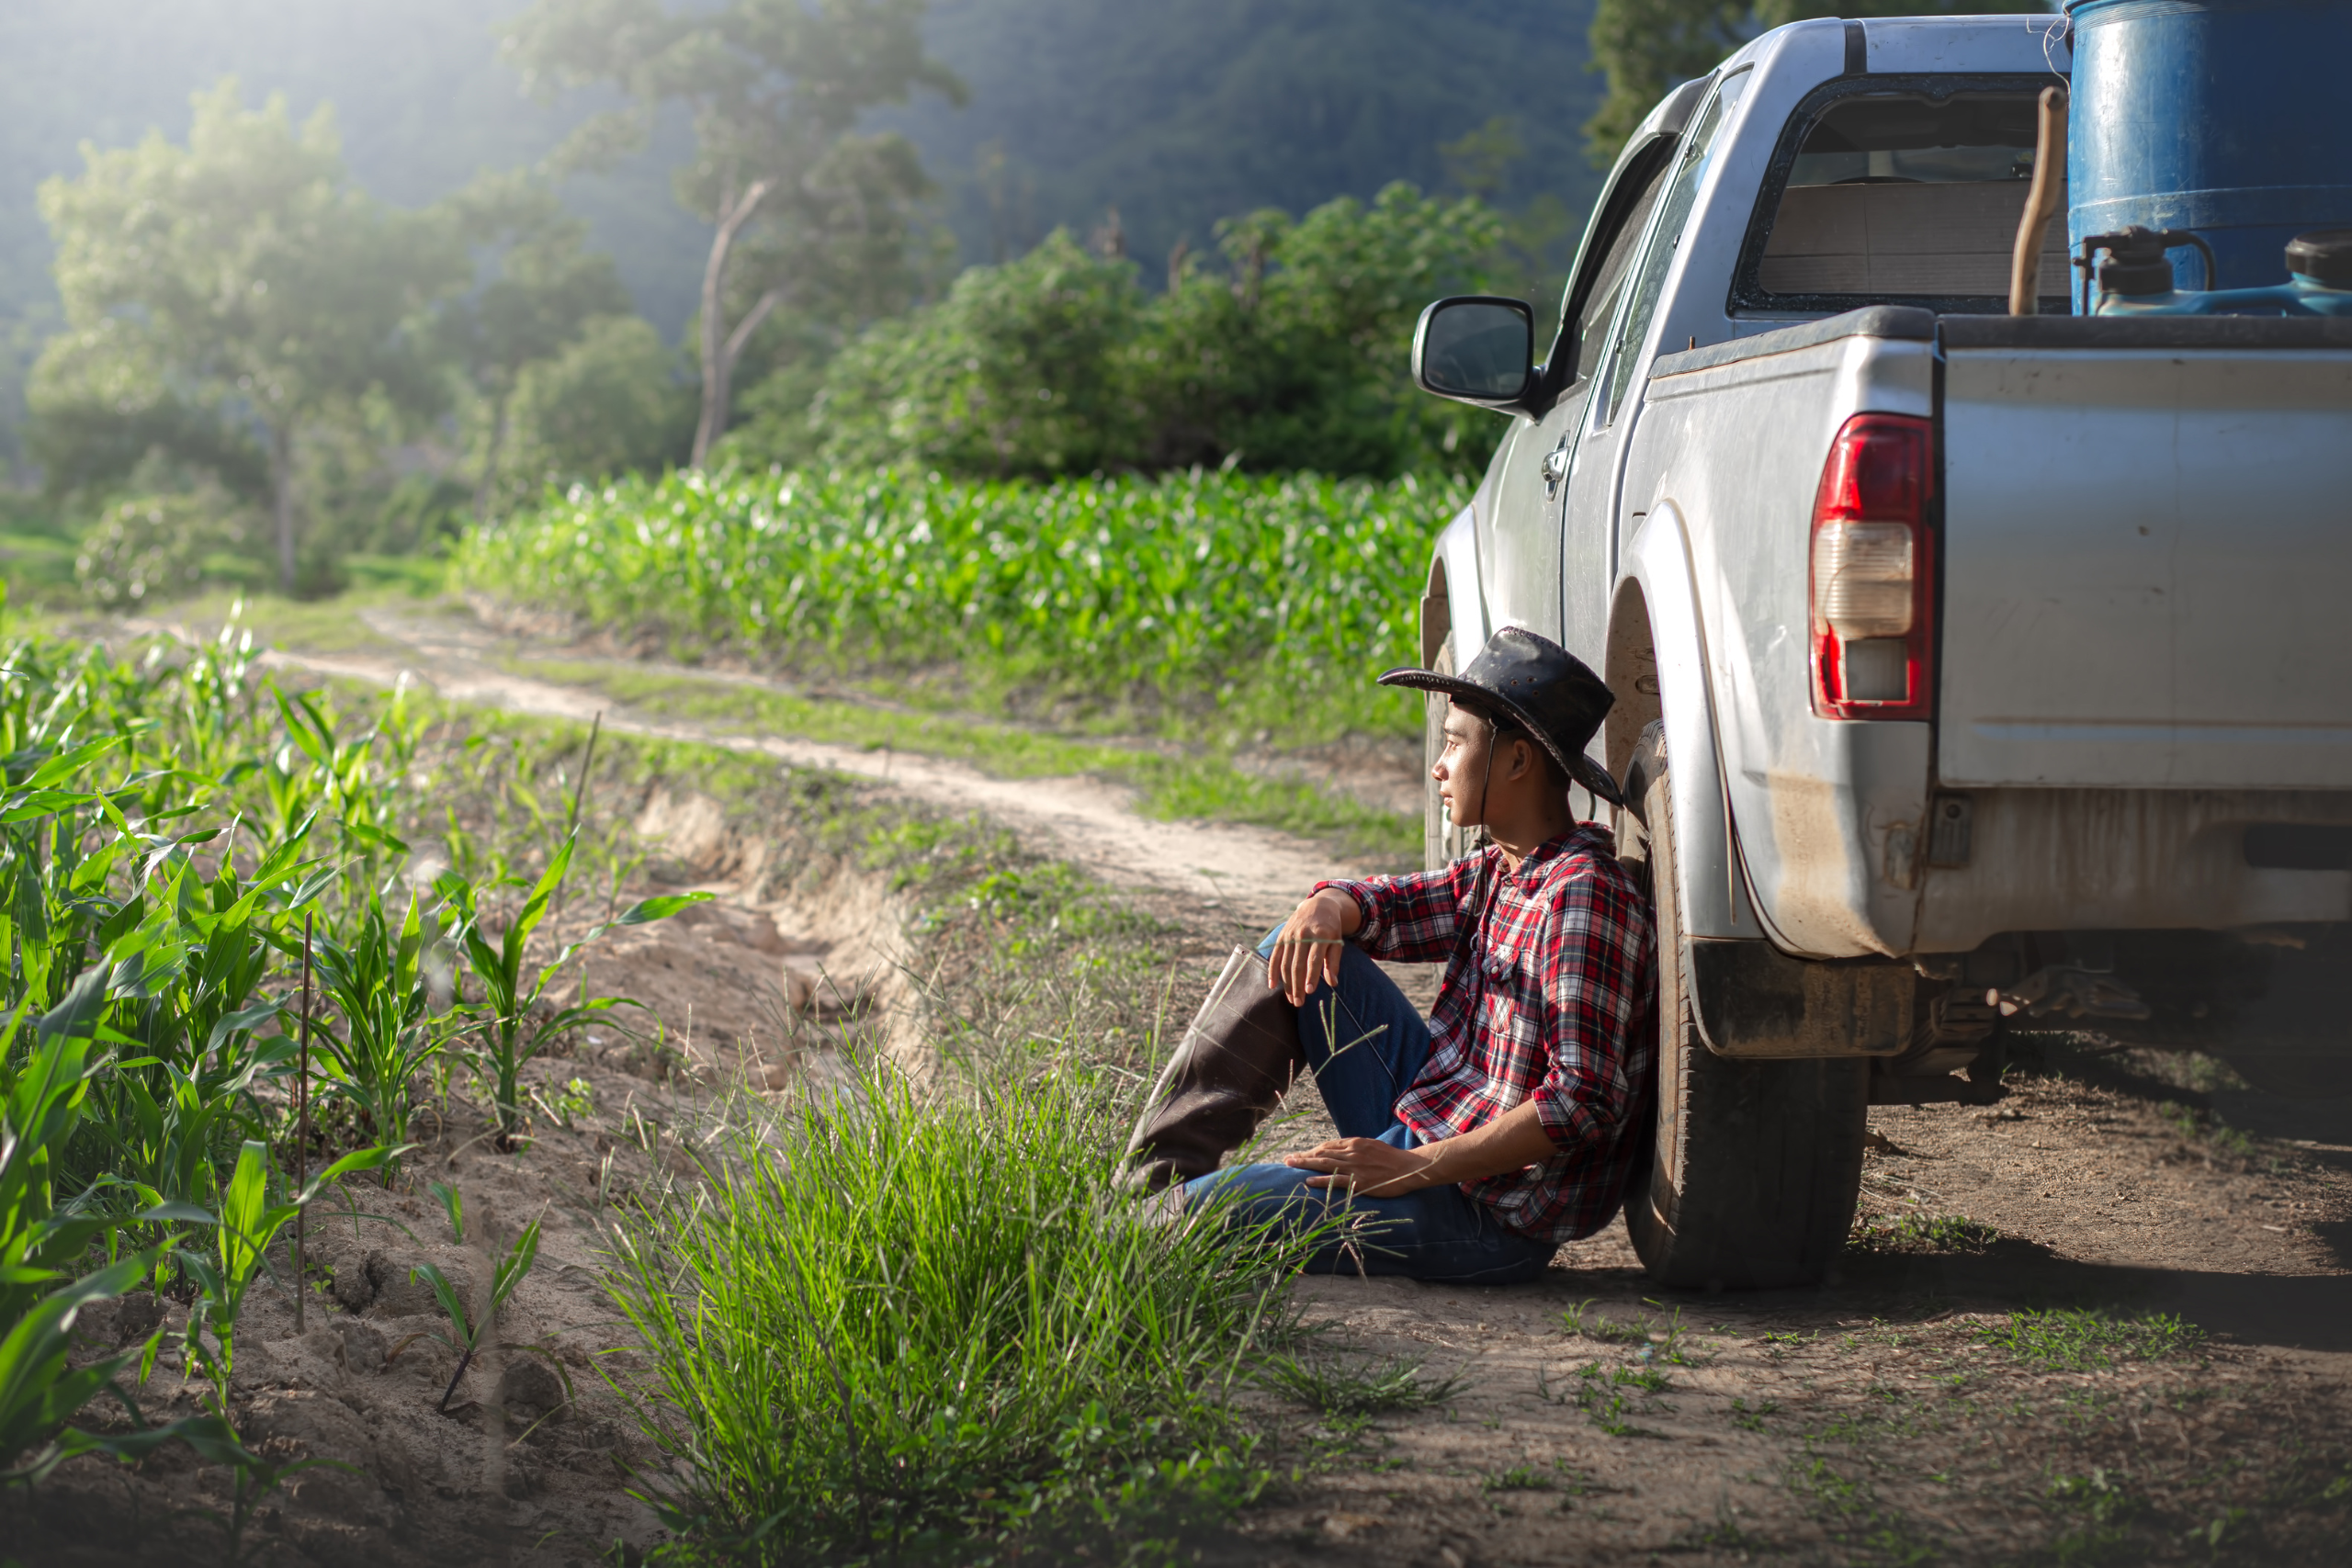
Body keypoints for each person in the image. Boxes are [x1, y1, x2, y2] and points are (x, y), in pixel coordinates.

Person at [1123, 626, 1657, 1284]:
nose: (1438, 764)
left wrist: (1409, 1168)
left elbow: (1582, 1101)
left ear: (1518, 762)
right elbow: (1389, 906)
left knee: (1195, 1218)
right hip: (1430, 1122)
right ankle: (1149, 1181)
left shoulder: (1583, 897)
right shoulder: (1501, 868)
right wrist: (1326, 903)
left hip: (1483, 1213)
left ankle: (1141, 1220)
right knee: (1302, 940)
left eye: (1456, 743)